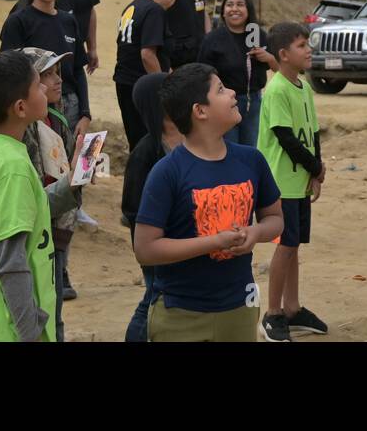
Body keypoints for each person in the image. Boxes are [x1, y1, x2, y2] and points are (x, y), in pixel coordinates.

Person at [134, 64, 284, 342]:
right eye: (221, 89)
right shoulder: (167, 172)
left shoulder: (252, 161)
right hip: (180, 316)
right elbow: (145, 249)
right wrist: (215, 242)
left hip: (239, 309)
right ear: (200, 111)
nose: (233, 93)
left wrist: (256, 233)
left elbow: (275, 219)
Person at [0, 48, 81, 339]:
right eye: (38, 84)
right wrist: (30, 331)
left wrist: (70, 183)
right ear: (21, 108)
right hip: (10, 327)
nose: (46, 87)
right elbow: (10, 263)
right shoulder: (13, 168)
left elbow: (22, 210)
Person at [256, 22, 329, 342]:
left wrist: (317, 170)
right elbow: (285, 138)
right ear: (283, 55)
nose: (308, 50)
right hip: (280, 181)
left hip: (299, 180)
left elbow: (312, 134)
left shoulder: (304, 87)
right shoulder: (276, 90)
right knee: (285, 246)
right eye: (302, 46)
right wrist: (313, 166)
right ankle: (272, 313)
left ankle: (292, 308)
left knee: (293, 244)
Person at [0, 0, 89, 136]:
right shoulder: (18, 22)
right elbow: (8, 74)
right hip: (35, 108)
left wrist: (85, 113)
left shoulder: (69, 21)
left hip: (71, 107)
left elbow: (78, 69)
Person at [121, 71, 182, 342]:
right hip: (154, 244)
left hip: (179, 240)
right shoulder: (145, 152)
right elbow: (132, 208)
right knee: (154, 296)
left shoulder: (187, 139)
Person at [198, 0, 278, 147]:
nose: (234, 9)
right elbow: (202, 74)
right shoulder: (213, 39)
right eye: (229, 5)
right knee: (229, 148)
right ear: (223, 11)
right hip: (224, 102)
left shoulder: (257, 34)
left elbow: (277, 68)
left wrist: (268, 57)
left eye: (240, 4)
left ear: (248, 9)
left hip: (253, 102)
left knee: (252, 148)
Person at [114, 0, 179, 150]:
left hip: (125, 82)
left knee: (137, 141)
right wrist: (162, 86)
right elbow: (147, 54)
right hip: (142, 85)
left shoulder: (134, 5)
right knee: (151, 144)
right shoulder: (154, 10)